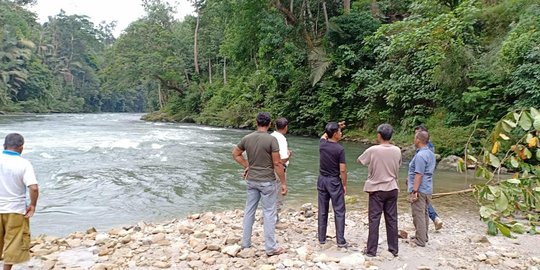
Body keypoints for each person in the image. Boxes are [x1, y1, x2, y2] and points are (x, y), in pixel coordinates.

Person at [232, 112, 287, 256]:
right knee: (269, 213)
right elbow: (277, 163)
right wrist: (283, 182)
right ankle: (270, 247)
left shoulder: (247, 138)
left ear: (256, 122)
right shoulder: (271, 140)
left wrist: (246, 166)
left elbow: (235, 154)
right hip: (267, 181)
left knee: (249, 210)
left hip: (251, 180)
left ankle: (245, 243)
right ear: (269, 124)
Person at [357, 124, 401, 257]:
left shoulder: (373, 150)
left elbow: (360, 161)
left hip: (377, 189)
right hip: (392, 187)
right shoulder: (397, 150)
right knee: (392, 219)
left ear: (379, 135)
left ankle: (371, 251)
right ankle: (393, 249)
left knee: (374, 219)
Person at [0, 133, 39, 270]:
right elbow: (33, 188)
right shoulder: (24, 163)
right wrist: (33, 205)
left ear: (4, 145)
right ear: (21, 147)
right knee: (13, 242)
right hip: (15, 210)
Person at [317, 122, 348, 248]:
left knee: (322, 210)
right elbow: (342, 170)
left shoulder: (322, 145)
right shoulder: (339, 149)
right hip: (334, 181)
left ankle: (322, 238)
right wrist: (344, 184)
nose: (341, 133)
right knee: (339, 210)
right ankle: (340, 240)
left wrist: (335, 126)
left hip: (322, 179)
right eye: (340, 131)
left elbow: (324, 135)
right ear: (335, 134)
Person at [408, 130, 436, 247]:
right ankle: (423, 236)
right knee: (424, 213)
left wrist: (414, 191)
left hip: (420, 188)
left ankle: (420, 240)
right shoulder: (430, 153)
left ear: (418, 140)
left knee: (418, 214)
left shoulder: (420, 155)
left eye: (415, 138)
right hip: (428, 187)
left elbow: (419, 174)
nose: (414, 140)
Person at [414, 124, 443, 230]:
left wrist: (414, 187)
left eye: (418, 133)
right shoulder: (430, 147)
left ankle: (433, 218)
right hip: (428, 177)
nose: (416, 136)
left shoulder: (423, 150)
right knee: (424, 200)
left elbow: (419, 169)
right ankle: (432, 221)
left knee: (421, 201)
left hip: (422, 177)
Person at [270, 118, 292, 222]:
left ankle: (267, 217)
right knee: (278, 194)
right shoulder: (281, 139)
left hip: (268, 169)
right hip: (278, 169)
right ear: (286, 127)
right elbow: (281, 160)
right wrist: (288, 156)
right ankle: (274, 219)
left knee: (270, 194)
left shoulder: (271, 136)